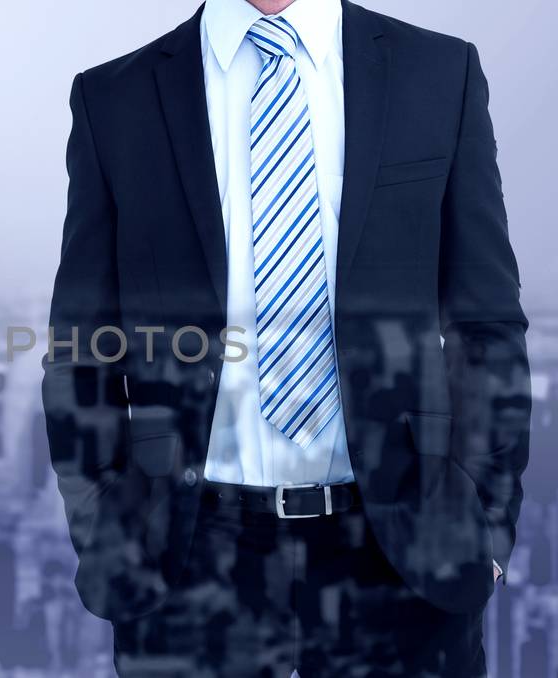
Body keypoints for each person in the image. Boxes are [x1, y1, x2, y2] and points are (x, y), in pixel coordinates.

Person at [41, 0, 530, 674]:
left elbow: (485, 323)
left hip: (404, 551)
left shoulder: (438, 73)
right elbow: (82, 346)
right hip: (189, 556)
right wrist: (105, 530)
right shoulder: (115, 99)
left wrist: (488, 526)